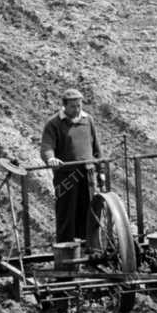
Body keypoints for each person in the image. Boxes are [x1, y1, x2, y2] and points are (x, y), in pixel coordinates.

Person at [40, 87, 102, 243]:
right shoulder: (54, 123)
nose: (77, 109)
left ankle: (90, 244)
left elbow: (96, 147)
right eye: (73, 106)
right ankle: (66, 248)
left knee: (89, 209)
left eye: (79, 105)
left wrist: (101, 170)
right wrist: (51, 159)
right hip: (66, 174)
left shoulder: (88, 120)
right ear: (64, 106)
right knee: (66, 211)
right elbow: (47, 146)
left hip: (87, 172)